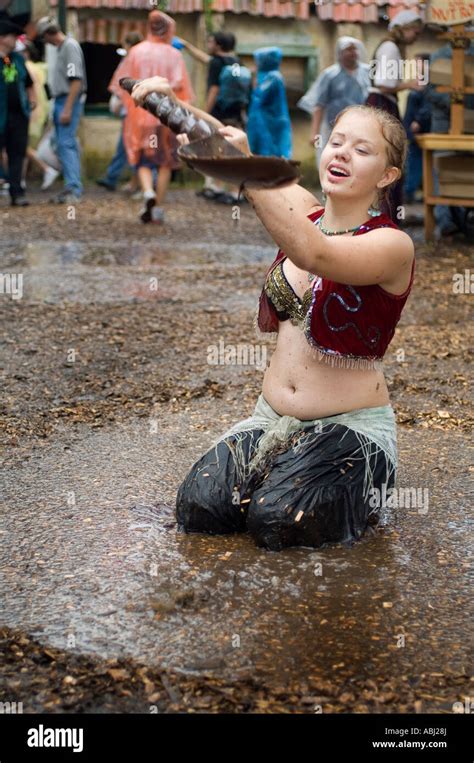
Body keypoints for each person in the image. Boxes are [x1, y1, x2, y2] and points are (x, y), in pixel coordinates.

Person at [133, 77, 416, 552]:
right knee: (201, 508)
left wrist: (243, 175)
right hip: (270, 418)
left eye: (362, 150)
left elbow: (315, 255)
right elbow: (230, 142)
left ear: (387, 176)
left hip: (349, 427)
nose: (341, 153)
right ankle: (285, 471)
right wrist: (170, 102)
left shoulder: (392, 244)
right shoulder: (304, 210)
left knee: (281, 520)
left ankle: (361, 485)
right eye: (337, 142)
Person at [111, 10, 194, 225]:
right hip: (166, 117)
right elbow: (180, 85)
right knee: (165, 161)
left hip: (142, 116)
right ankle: (157, 205)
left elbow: (123, 82)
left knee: (144, 158)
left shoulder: (136, 51)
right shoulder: (174, 54)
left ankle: (147, 191)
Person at [366, 10, 424, 221]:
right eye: (414, 32)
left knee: (385, 159)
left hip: (382, 104)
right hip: (382, 105)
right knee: (387, 159)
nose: (416, 37)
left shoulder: (391, 48)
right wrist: (410, 85)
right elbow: (384, 83)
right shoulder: (390, 48)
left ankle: (384, 214)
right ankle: (384, 216)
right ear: (404, 29)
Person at [179, 30, 250, 204]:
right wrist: (187, 46)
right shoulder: (236, 62)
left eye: (210, 42)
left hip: (218, 114)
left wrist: (204, 113)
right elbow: (205, 59)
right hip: (236, 115)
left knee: (216, 151)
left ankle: (215, 187)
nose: (208, 44)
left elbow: (214, 89)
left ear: (218, 45)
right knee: (233, 152)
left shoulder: (217, 63)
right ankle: (234, 191)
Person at [35, 16, 87, 203]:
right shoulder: (62, 49)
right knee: (60, 143)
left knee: (66, 143)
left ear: (49, 33)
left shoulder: (69, 47)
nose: (44, 41)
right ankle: (71, 184)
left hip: (67, 100)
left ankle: (74, 187)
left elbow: (76, 80)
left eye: (43, 37)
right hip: (61, 100)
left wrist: (67, 108)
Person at [298, 37, 370, 168]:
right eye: (348, 49)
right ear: (340, 53)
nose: (353, 52)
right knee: (328, 153)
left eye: (355, 49)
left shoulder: (367, 72)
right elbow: (319, 104)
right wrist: (314, 133)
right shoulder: (330, 75)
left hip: (360, 126)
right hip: (332, 125)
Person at [96, 31, 143, 193]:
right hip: (139, 109)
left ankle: (138, 182)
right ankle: (117, 177)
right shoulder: (141, 59)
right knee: (127, 145)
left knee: (130, 145)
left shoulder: (131, 60)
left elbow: (121, 82)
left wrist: (117, 97)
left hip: (131, 109)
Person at [0, 14, 34, 206]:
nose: (16, 40)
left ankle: (17, 193)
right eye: (13, 36)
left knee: (17, 154)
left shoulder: (18, 60)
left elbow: (29, 83)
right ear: (2, 38)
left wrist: (32, 101)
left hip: (19, 116)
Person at [20, 39, 59, 191]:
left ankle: (46, 169)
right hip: (40, 111)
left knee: (22, 146)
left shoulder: (26, 68)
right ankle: (21, 180)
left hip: (31, 112)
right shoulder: (39, 68)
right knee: (23, 146)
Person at [246, 46, 292, 159]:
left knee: (270, 154)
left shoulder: (273, 77)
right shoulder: (266, 76)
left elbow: (259, 96)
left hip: (270, 123)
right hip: (263, 121)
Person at [402, 53, 431, 204]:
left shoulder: (430, 83)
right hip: (412, 129)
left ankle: (413, 191)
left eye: (419, 63)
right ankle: (410, 191)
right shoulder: (420, 80)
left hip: (422, 129)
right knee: (413, 159)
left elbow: (430, 103)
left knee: (418, 160)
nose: (417, 66)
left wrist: (419, 120)